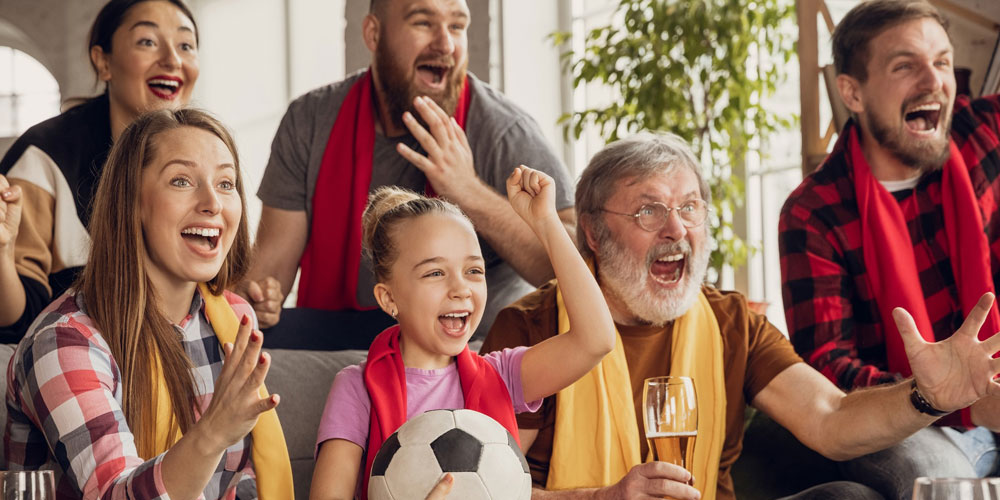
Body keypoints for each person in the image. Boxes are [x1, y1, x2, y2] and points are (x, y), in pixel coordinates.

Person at [482, 132, 1000, 500]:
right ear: (593, 234)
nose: (677, 230)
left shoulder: (731, 322)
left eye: (690, 208)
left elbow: (831, 419)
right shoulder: (530, 327)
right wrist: (605, 498)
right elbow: (486, 488)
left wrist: (927, 396)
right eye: (648, 210)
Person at [245, 0, 576, 347]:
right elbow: (268, 273)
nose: (445, 44)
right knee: (256, 343)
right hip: (339, 337)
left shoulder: (504, 131)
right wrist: (259, 298)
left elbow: (578, 270)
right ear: (374, 33)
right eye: (423, 23)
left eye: (457, 26)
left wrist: (469, 192)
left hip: (468, 345)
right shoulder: (310, 121)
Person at [3, 109, 294, 500]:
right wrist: (212, 433)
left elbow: (237, 481)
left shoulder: (234, 318)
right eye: (181, 180)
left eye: (226, 183)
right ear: (132, 203)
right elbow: (113, 494)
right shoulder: (63, 342)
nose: (213, 203)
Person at [779, 0, 1000, 496]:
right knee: (928, 477)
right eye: (906, 66)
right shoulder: (813, 212)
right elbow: (829, 371)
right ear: (852, 92)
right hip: (921, 419)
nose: (933, 81)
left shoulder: (986, 134)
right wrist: (965, 399)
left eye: (942, 61)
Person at [308, 166, 615, 500]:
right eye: (436, 272)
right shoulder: (356, 388)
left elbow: (595, 339)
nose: (461, 289)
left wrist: (545, 222)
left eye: (473, 270)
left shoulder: (503, 376)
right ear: (389, 298)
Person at [0, 0, 200, 342]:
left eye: (186, 45)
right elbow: (18, 321)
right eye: (147, 42)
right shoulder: (44, 157)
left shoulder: (205, 159)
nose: (172, 60)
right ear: (103, 61)